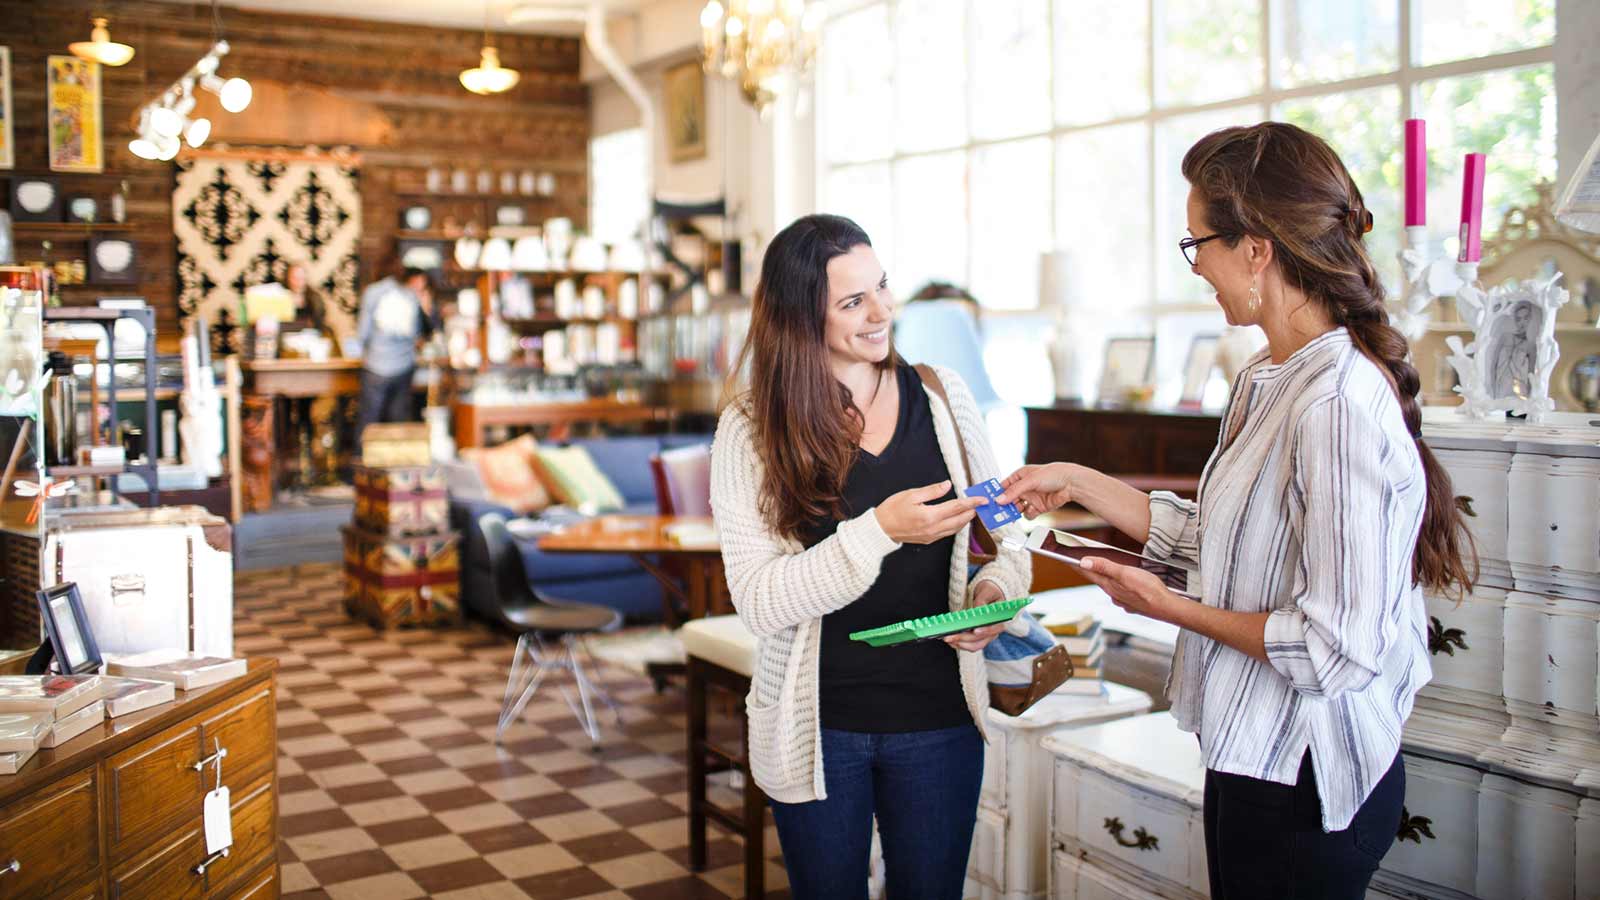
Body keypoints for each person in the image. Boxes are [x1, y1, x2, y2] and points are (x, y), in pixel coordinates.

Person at [997, 122, 1477, 900]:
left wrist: (1173, 610)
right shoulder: (1268, 375)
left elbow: (1334, 649)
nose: (1197, 268)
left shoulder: (1336, 404)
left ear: (1255, 247)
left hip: (1307, 781)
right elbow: (1220, 541)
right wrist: (1081, 479)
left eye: (1199, 245)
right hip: (1254, 757)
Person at [709, 214, 1031, 900]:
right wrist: (879, 530)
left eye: (882, 287)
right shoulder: (750, 428)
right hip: (820, 725)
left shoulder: (943, 395)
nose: (882, 311)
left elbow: (1007, 536)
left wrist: (991, 593)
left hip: (941, 716)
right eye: (853, 301)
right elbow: (760, 601)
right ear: (802, 316)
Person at [353, 265, 436, 440]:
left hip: (376, 365)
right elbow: (425, 332)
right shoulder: (413, 296)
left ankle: (361, 462)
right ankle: (397, 464)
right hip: (403, 366)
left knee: (368, 420)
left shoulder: (373, 292)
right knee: (398, 421)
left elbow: (363, 333)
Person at [1486, 300, 1537, 398]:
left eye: (1525, 318)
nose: (1522, 322)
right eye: (1518, 319)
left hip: (1518, 390)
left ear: (1530, 319)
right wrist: (1492, 390)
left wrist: (1529, 398)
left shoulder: (1530, 346)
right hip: (1499, 388)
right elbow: (1493, 365)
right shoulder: (1505, 337)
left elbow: (1531, 375)